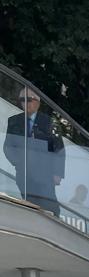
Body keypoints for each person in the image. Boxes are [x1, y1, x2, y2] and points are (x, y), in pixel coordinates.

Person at [3, 86, 65, 215]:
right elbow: (8, 147)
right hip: (24, 173)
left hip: (45, 174)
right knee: (29, 206)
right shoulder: (14, 121)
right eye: (22, 99)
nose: (25, 103)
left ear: (38, 102)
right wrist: (19, 163)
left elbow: (59, 149)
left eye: (29, 99)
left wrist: (58, 173)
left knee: (51, 208)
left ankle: (53, 226)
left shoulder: (49, 122)